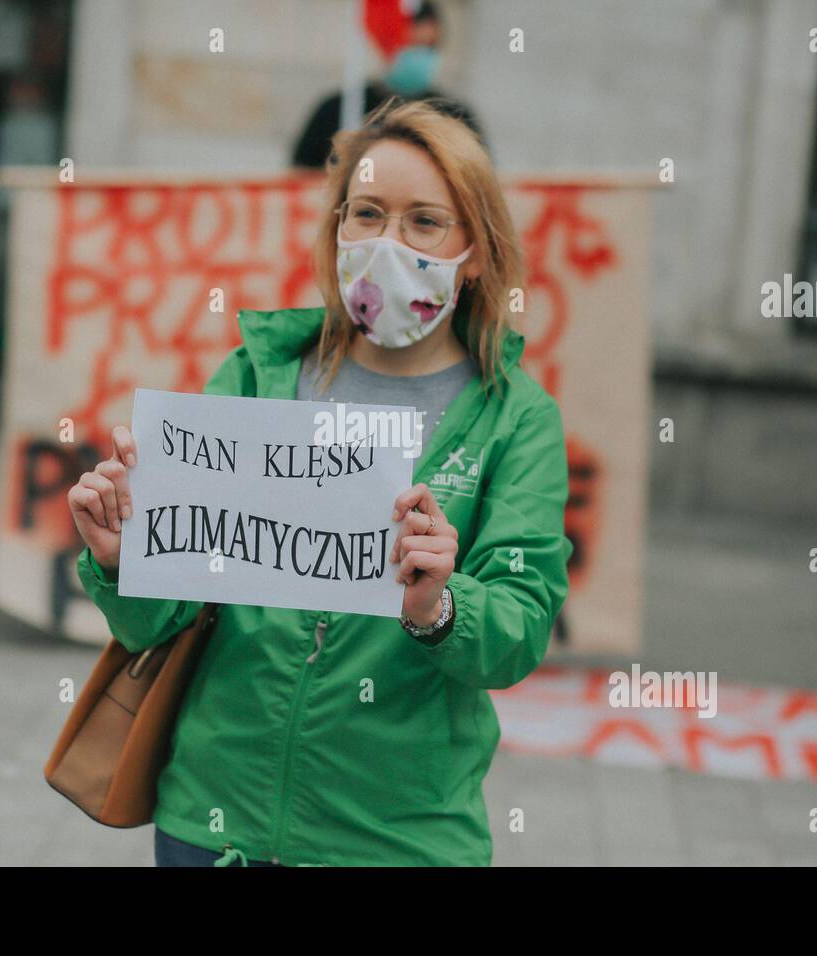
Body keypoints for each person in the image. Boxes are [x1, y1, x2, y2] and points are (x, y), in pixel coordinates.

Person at [69, 99, 571, 866]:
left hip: (395, 843)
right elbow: (158, 620)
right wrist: (118, 558)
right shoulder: (255, 377)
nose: (387, 243)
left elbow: (517, 634)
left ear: (475, 249)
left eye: (424, 222)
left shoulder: (516, 418)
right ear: (337, 227)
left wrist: (441, 606)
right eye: (366, 213)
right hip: (212, 823)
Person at [291, 0, 482, 169]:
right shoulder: (336, 111)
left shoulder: (455, 116)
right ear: (385, 45)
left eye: (428, 47)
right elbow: (299, 180)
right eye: (410, 45)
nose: (419, 55)